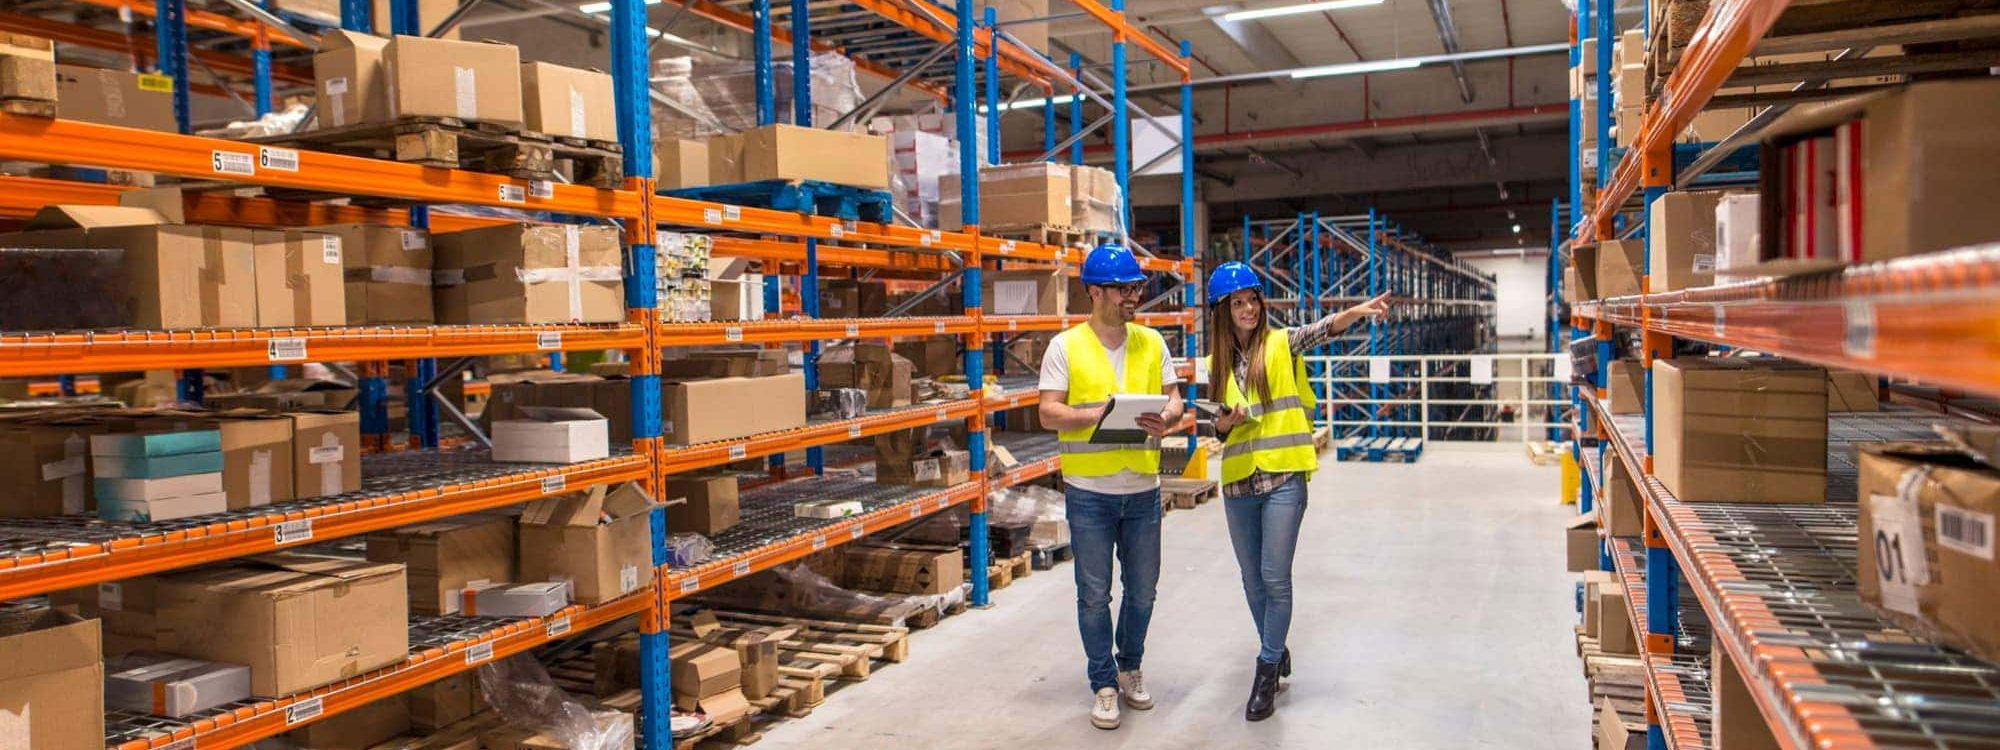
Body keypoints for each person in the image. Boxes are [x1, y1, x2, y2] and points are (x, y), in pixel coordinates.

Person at [1204, 261, 1390, 721]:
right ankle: (1276, 643)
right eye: (1237, 303)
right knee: (1251, 580)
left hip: (1285, 476)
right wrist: (1223, 424)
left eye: (1252, 300)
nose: (1248, 309)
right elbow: (1218, 429)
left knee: (1274, 577)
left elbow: (1323, 328)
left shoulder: (1281, 343)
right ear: (1222, 312)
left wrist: (1359, 311)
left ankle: (1266, 669)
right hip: (1239, 480)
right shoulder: (1216, 362)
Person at [1038, 243, 1185, 731]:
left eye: (1136, 287)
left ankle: (1129, 666)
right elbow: (1048, 411)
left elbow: (1175, 399)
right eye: (1124, 288)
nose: (1133, 296)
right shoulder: (1066, 346)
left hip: (1143, 487)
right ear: (1096, 291)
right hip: (1089, 493)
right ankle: (1103, 682)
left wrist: (1167, 418)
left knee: (1143, 591)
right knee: (1093, 595)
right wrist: (1094, 416)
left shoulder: (1152, 343)